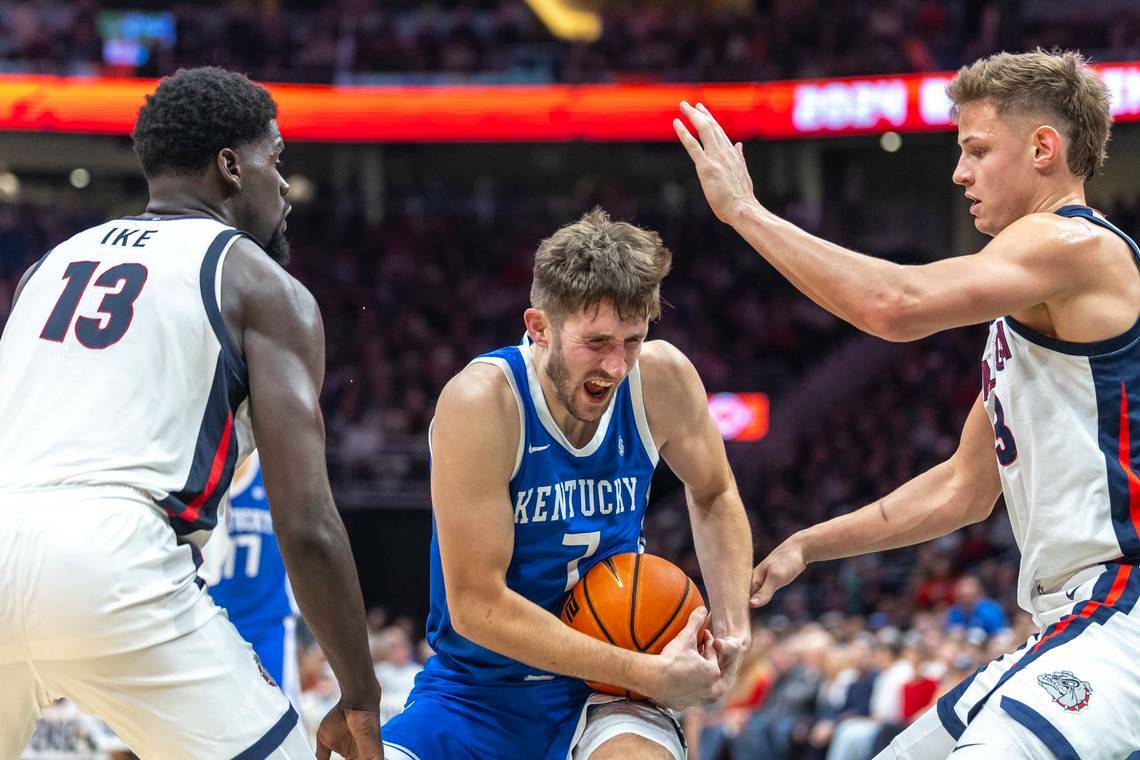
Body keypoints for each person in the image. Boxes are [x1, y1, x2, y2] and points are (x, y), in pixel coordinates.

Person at [676, 48, 1140, 758]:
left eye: (977, 150)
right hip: (1071, 615)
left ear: (1044, 148)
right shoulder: (1025, 317)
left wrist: (744, 212)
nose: (959, 172)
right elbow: (962, 489)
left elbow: (893, 305)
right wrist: (809, 544)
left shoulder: (1073, 244)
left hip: (1124, 603)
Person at [0, 67, 381, 759]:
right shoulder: (262, 285)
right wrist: (359, 695)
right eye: (278, 158)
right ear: (232, 166)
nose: (285, 184)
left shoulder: (46, 268)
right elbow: (306, 524)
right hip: (112, 559)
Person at [381, 208, 754, 760]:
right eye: (597, 341)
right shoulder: (483, 402)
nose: (617, 364)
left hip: (606, 695)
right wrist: (650, 672)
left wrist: (733, 626)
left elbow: (715, 492)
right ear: (539, 326)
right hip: (476, 692)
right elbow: (477, 605)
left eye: (632, 339)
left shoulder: (662, 379)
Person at [201, 450, 302, 711]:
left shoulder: (277, 463)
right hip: (208, 625)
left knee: (284, 723)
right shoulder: (200, 465)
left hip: (266, 625)